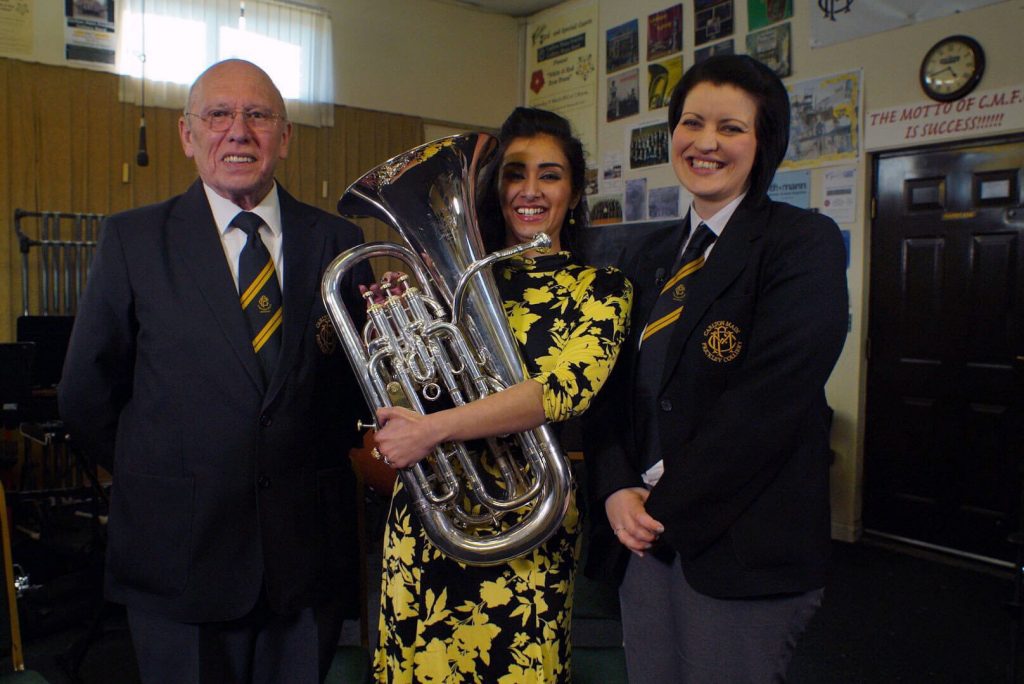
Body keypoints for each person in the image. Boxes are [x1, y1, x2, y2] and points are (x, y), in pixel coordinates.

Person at [58, 59, 371, 684]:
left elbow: (357, 391)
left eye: (258, 115)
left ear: (285, 137)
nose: (239, 131)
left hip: (305, 556)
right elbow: (86, 393)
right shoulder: (133, 241)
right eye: (219, 115)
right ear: (187, 135)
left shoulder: (340, 242)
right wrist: (165, 474)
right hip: (177, 555)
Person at [582, 54, 849, 683]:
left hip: (741, 542)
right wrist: (616, 487)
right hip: (641, 535)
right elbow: (606, 385)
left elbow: (770, 400)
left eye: (731, 128)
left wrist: (658, 503)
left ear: (765, 143)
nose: (706, 142)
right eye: (692, 123)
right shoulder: (643, 254)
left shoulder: (802, 242)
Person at [368, 107, 633, 683]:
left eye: (550, 174)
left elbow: (560, 393)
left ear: (576, 189)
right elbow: (409, 396)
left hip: (528, 521)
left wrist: (434, 429)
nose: (530, 191)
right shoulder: (448, 283)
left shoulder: (604, 290)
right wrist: (397, 332)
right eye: (515, 173)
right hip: (431, 519)